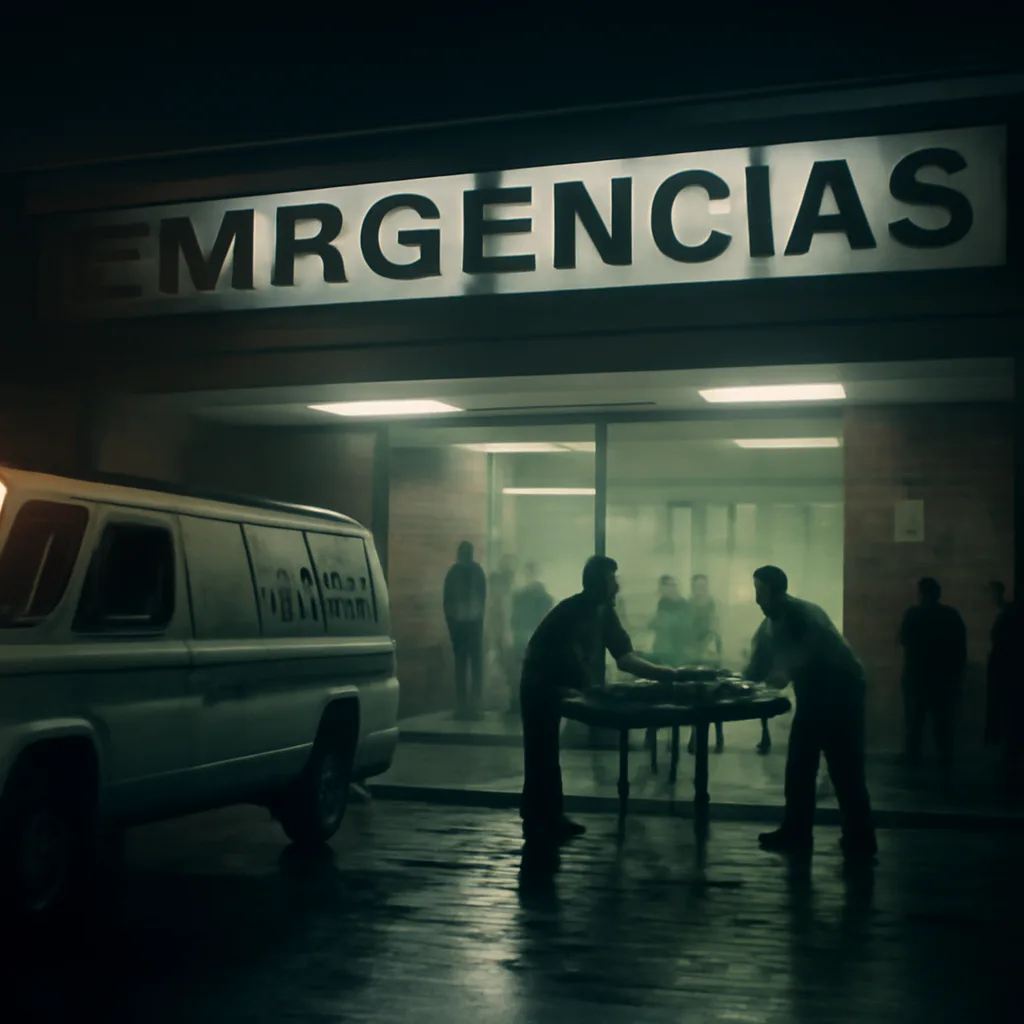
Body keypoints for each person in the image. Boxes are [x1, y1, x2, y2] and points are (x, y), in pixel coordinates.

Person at [519, 555, 685, 845]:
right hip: (539, 685)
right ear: (597, 583)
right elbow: (558, 656)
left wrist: (665, 674)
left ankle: (548, 816)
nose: (616, 586)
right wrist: (582, 688)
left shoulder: (604, 612)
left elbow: (624, 657)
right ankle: (539, 818)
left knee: (546, 755)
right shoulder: (571, 611)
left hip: (559, 687)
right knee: (541, 754)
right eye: (612, 580)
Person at [746, 565, 876, 859]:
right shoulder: (772, 625)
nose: (757, 599)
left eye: (760, 592)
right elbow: (758, 666)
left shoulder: (802, 617)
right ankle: (811, 833)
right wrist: (739, 680)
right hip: (818, 696)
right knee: (805, 767)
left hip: (840, 694)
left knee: (841, 768)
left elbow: (797, 661)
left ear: (777, 592)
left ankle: (851, 837)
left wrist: (768, 678)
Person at [898, 577, 967, 794]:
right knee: (943, 726)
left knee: (914, 725)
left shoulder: (913, 614)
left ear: (921, 593)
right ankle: (945, 768)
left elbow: (903, 639)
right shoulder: (950, 616)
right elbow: (960, 648)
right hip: (943, 679)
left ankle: (912, 772)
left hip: (917, 678)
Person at [443, 541, 487, 721]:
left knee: (463, 668)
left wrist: (451, 626)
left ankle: (465, 707)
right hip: (470, 626)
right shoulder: (476, 571)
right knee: (473, 668)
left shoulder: (454, 573)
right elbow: (482, 600)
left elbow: (447, 603)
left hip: (462, 627)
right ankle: (472, 707)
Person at [984, 581, 1021, 798]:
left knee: (1011, 725)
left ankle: (1010, 771)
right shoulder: (1011, 614)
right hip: (1009, 679)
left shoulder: (1010, 617)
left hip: (1008, 679)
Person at [685, 573, 725, 755]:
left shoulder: (713, 604)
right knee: (696, 696)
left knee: (713, 695)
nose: (700, 589)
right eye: (697, 586)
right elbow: (685, 628)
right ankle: (695, 736)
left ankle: (718, 736)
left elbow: (716, 628)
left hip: (709, 653)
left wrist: (714, 649)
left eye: (703, 586)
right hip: (692, 653)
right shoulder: (688, 605)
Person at [508, 563, 555, 717]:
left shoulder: (522, 595)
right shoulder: (540, 595)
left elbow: (515, 617)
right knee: (527, 669)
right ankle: (523, 702)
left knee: (522, 669)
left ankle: (518, 702)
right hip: (531, 634)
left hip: (527, 634)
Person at [486, 554, 517, 713]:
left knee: (509, 668)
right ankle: (512, 700)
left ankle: (514, 700)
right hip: (501, 637)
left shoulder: (505, 599)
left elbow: (505, 620)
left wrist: (506, 635)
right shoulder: (502, 600)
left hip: (504, 637)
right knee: (507, 668)